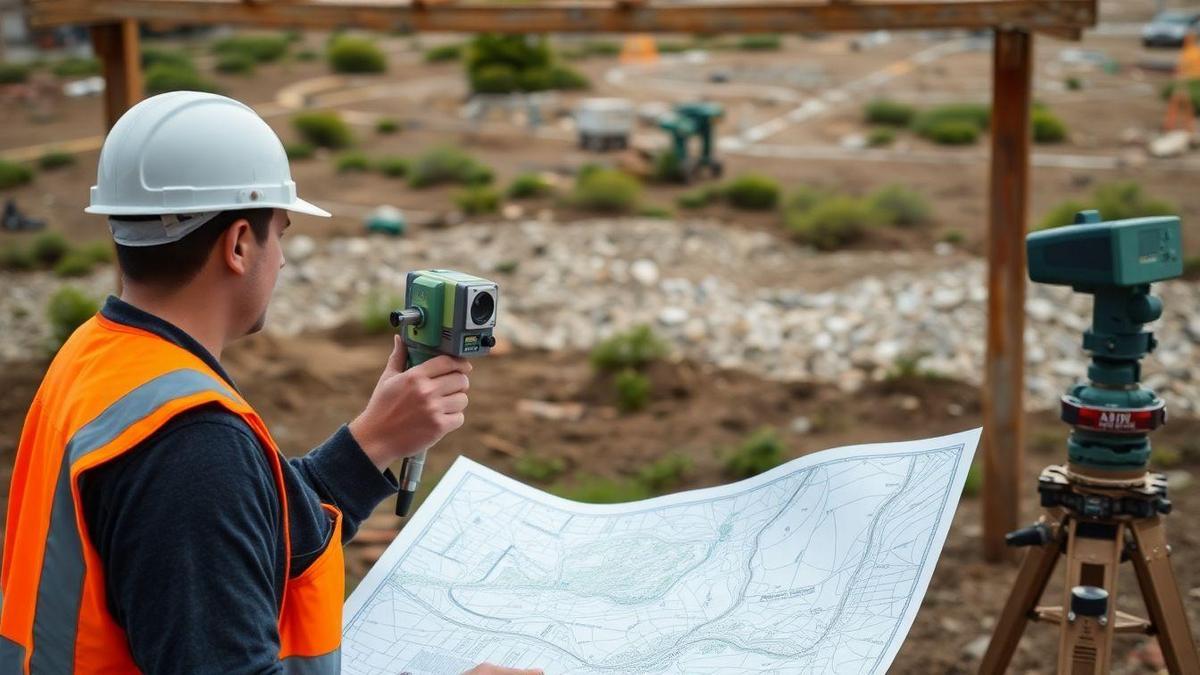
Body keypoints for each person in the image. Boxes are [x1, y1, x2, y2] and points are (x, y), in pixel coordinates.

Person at [0, 91, 542, 675]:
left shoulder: (96, 357)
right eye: (279, 232)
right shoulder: (191, 443)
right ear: (237, 245)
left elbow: (247, 524)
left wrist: (373, 443)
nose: (281, 259)